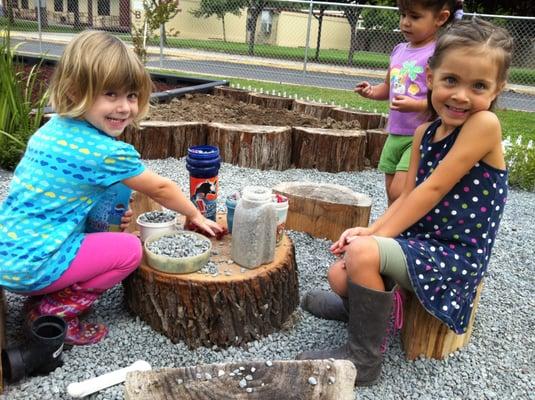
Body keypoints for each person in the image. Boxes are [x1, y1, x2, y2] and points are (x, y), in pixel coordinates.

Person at [299, 19, 513, 386]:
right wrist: (370, 230)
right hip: (421, 241)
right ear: (430, 78)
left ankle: (363, 362)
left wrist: (370, 244)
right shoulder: (422, 133)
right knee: (340, 272)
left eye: (478, 86)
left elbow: (433, 191)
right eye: (451, 80)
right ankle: (364, 314)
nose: (462, 95)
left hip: (455, 254)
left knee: (362, 256)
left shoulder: (485, 125)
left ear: (497, 89)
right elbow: (408, 195)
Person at [0, 30, 223, 346]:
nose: (124, 107)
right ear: (76, 91)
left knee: (115, 192)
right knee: (129, 251)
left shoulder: (51, 129)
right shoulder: (106, 152)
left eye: (131, 95)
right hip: (34, 267)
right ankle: (52, 310)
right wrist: (194, 214)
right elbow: (159, 188)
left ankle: (46, 289)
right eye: (110, 94)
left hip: (7, 253)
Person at [355, 0, 463, 205]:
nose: (405, 22)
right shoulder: (399, 50)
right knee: (390, 190)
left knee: (400, 191)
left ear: (440, 18)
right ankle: (395, 230)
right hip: (394, 133)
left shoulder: (438, 55)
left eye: (414, 17)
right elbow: (388, 88)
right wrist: (370, 92)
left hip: (420, 135)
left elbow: (443, 100)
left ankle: (401, 229)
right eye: (403, 15)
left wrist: (416, 105)